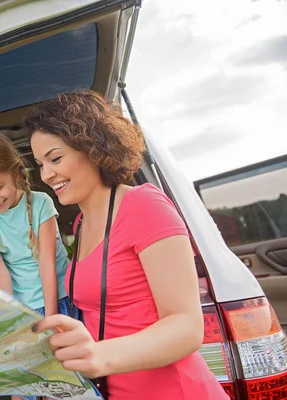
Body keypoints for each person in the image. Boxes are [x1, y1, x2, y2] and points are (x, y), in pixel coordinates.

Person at [26, 91, 229, 400]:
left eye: (55, 158)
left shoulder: (143, 205)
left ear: (92, 147)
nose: (46, 174)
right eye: (40, 164)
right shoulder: (80, 225)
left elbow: (187, 327)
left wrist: (99, 355)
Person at [0, 131, 76, 400]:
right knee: (23, 387)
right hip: (23, 310)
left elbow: (46, 264)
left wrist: (51, 320)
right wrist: (9, 322)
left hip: (57, 302)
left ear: (15, 173)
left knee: (58, 386)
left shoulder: (41, 204)